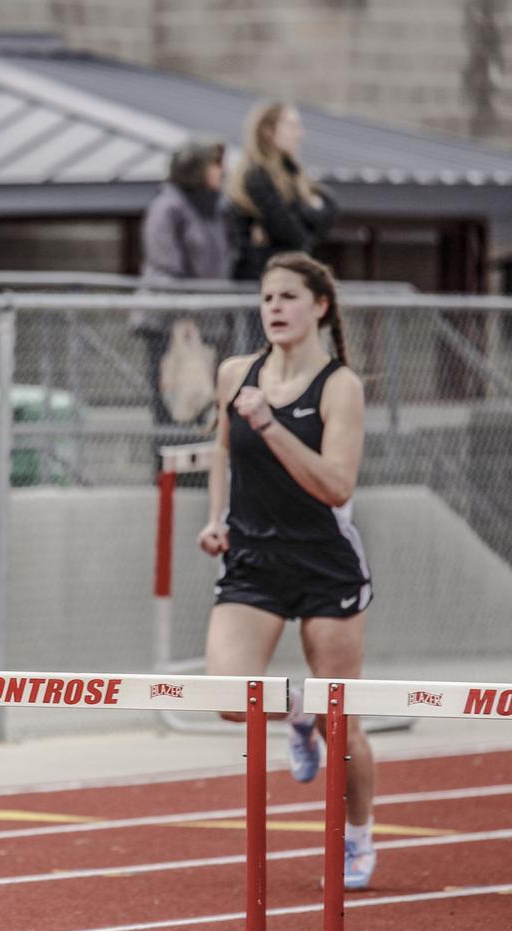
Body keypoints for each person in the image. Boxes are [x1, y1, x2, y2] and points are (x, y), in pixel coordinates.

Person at [196, 251, 377, 889]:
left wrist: (272, 426)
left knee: (344, 719)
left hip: (323, 561)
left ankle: (357, 835)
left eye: (288, 297)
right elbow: (222, 454)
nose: (275, 308)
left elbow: (335, 484)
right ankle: (295, 713)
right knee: (227, 697)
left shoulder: (340, 386)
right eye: (267, 298)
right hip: (252, 558)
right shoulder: (235, 374)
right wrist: (217, 517)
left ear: (319, 306)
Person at [136, 139, 232, 426]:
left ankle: (205, 472)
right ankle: (170, 471)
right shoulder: (168, 207)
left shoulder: (215, 208)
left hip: (209, 325)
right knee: (175, 411)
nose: (222, 171)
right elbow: (165, 265)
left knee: (209, 410)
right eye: (214, 164)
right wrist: (186, 310)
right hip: (171, 325)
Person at [227, 102, 338, 281]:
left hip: (286, 277)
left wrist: (299, 214)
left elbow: (330, 208)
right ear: (267, 131)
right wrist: (307, 213)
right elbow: (291, 233)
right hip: (260, 281)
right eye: (291, 125)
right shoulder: (256, 175)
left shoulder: (292, 173)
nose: (299, 133)